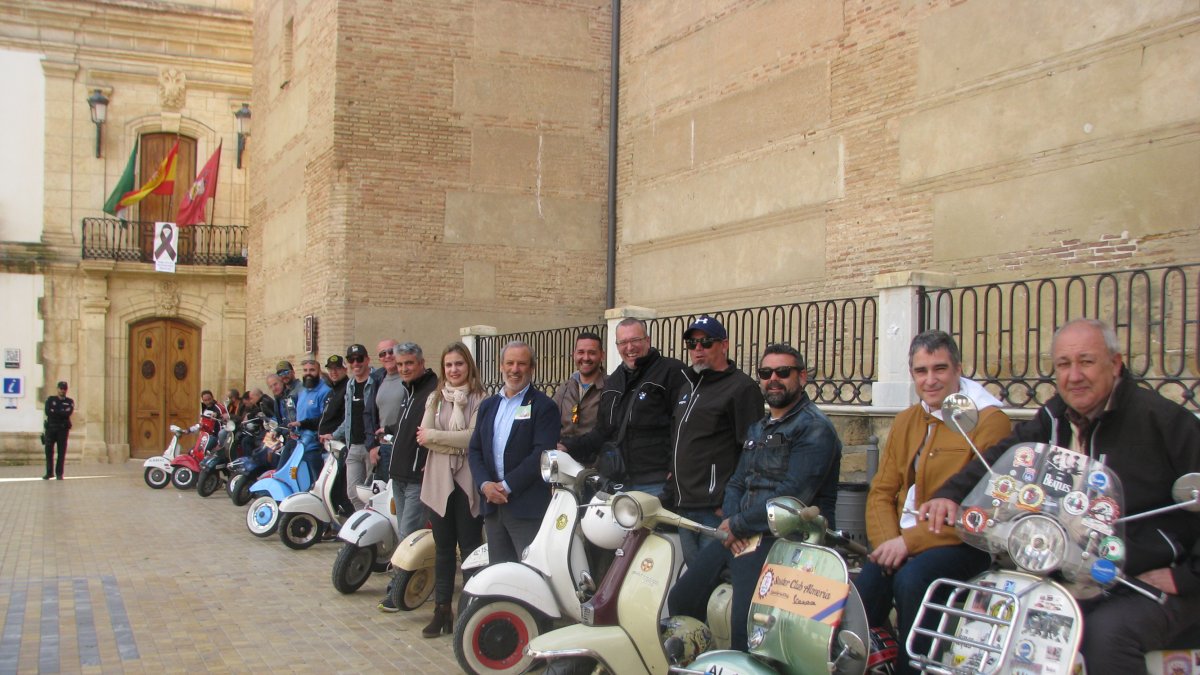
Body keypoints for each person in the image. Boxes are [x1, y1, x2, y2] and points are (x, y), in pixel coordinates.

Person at [919, 319, 1200, 672]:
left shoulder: (1162, 420)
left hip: (1142, 577)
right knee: (994, 614)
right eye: (1064, 365)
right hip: (1067, 568)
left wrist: (1189, 576)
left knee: (1106, 636)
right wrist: (952, 493)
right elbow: (1008, 453)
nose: (1074, 375)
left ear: (1114, 364)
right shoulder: (1056, 416)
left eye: (1086, 361)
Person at [853, 330, 1011, 674]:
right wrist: (887, 543)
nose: (930, 380)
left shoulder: (989, 420)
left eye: (940, 369)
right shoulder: (908, 418)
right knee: (862, 590)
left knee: (913, 580)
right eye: (921, 371)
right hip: (902, 539)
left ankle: (915, 667)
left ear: (958, 369)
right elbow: (882, 490)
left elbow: (983, 508)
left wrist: (907, 543)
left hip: (962, 541)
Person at [667, 343, 841, 652]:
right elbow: (736, 482)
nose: (773, 379)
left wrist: (739, 526)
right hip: (743, 533)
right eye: (765, 372)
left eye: (782, 372)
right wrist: (732, 524)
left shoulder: (814, 429)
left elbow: (792, 495)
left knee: (744, 623)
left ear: (801, 377)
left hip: (786, 539)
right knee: (681, 599)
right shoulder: (759, 427)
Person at [669, 315, 765, 566]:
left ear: (724, 345)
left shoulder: (741, 388)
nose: (698, 349)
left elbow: (752, 450)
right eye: (692, 344)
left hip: (714, 508)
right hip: (685, 503)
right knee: (694, 577)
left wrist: (732, 504)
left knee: (711, 579)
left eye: (706, 343)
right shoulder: (688, 386)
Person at [559, 318, 688, 495]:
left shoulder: (671, 371)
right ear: (617, 346)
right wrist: (567, 446)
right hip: (618, 481)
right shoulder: (614, 382)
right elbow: (602, 432)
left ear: (647, 341)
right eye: (623, 342)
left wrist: (676, 469)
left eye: (635, 340)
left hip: (656, 482)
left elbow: (685, 427)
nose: (629, 347)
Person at [414, 343, 487, 635]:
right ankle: (442, 609)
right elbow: (423, 437)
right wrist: (442, 439)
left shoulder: (482, 399)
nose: (454, 370)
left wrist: (437, 437)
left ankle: (469, 610)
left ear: (468, 366)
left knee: (469, 548)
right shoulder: (435, 398)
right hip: (439, 478)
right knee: (443, 549)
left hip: (468, 479)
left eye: (459, 364)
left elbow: (472, 438)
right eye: (448, 365)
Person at [468, 341, 560, 563]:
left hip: (525, 507)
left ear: (532, 368)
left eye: (522, 364)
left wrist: (506, 486)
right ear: (501, 366)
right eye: (510, 363)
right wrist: (485, 485)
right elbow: (475, 449)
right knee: (499, 572)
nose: (515, 369)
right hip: (492, 505)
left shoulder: (543, 407)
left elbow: (541, 453)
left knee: (530, 571)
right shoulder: (489, 405)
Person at [377, 342, 439, 612]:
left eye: (409, 364)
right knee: (404, 532)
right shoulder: (410, 390)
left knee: (408, 536)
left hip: (416, 477)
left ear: (421, 363)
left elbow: (436, 430)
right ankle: (411, 584)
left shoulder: (432, 392)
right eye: (400, 365)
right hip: (399, 475)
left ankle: (399, 592)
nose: (403, 369)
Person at [325, 344, 383, 510]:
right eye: (351, 360)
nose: (356, 363)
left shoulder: (377, 381)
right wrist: (334, 435)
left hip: (371, 446)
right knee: (352, 493)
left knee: (372, 494)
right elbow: (348, 418)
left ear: (367, 360)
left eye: (359, 359)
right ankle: (364, 523)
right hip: (354, 446)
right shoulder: (350, 386)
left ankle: (374, 528)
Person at [552, 332, 608, 448]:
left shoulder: (610, 387)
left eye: (592, 353)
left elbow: (607, 431)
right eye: (581, 352)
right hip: (563, 457)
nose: (586, 358)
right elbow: (549, 420)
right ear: (574, 355)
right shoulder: (565, 388)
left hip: (595, 461)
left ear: (602, 355)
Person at [289, 358, 331, 482]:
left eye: (312, 370)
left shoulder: (325, 392)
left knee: (316, 480)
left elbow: (324, 418)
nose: (308, 373)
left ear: (319, 372)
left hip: (315, 446)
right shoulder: (303, 391)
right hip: (301, 443)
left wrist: (302, 423)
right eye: (305, 370)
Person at [372, 339, 405, 479]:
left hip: (402, 445)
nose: (387, 356)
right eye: (382, 354)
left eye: (391, 351)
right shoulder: (378, 379)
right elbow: (370, 414)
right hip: (383, 446)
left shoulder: (407, 378)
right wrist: (372, 446)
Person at [43, 381, 75, 480]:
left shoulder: (69, 401)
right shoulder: (50, 399)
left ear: (66, 390)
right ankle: (49, 472)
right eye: (61, 388)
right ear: (57, 389)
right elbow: (48, 412)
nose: (62, 390)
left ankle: (59, 473)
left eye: (64, 388)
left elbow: (67, 413)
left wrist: (55, 411)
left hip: (62, 429)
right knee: (49, 451)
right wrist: (60, 412)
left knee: (61, 452)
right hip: (51, 428)